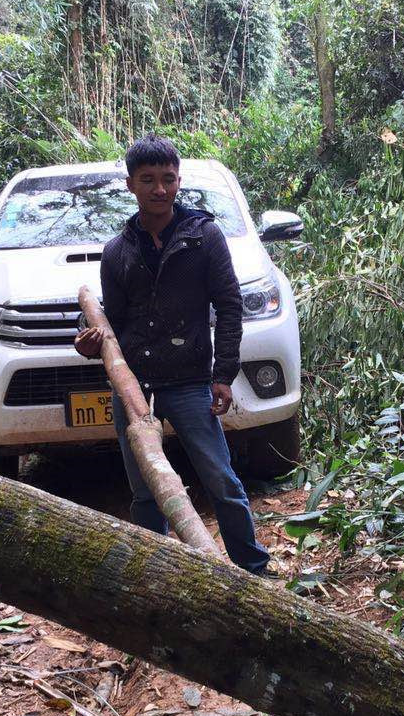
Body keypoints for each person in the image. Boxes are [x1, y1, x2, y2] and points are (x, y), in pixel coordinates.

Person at [74, 134, 271, 576]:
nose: (160, 189)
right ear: (131, 185)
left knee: (221, 481)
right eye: (148, 180)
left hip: (189, 381)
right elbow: (115, 324)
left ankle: (253, 571)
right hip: (134, 388)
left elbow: (229, 304)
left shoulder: (204, 237)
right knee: (145, 491)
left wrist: (223, 375)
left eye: (168, 179)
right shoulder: (117, 252)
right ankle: (159, 577)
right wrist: (88, 343)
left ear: (178, 180)